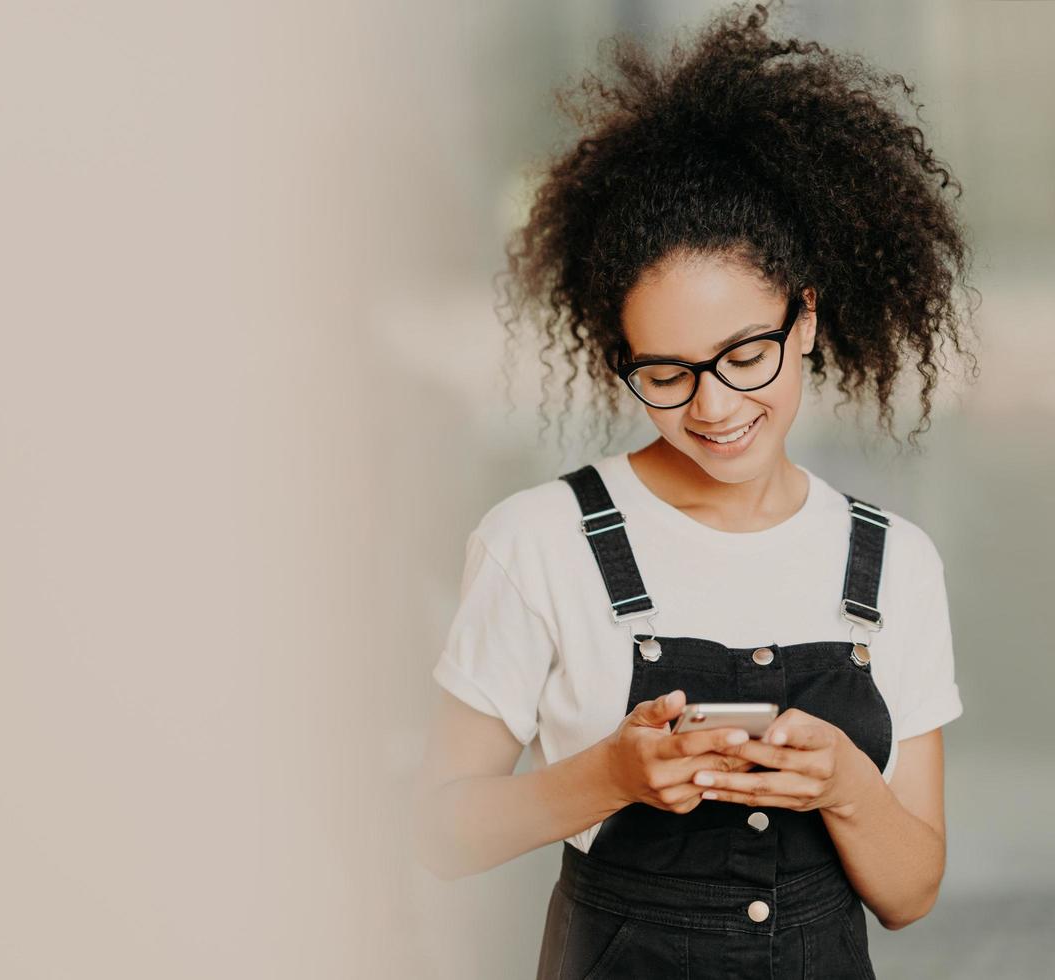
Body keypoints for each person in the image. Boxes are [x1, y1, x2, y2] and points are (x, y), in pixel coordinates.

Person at [410, 2, 976, 977]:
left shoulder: (894, 565)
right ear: (617, 355)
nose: (713, 406)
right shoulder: (539, 540)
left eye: (745, 354)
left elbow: (910, 891)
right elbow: (437, 831)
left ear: (805, 318)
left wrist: (847, 784)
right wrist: (607, 774)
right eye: (665, 371)